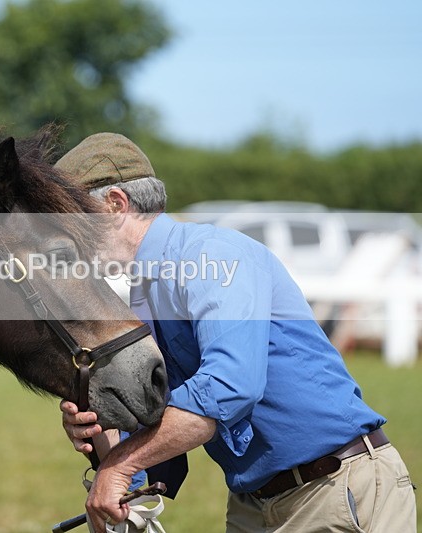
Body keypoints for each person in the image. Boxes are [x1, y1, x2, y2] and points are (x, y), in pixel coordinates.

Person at [54, 133, 417, 532]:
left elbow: (230, 386)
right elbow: (161, 430)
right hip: (255, 504)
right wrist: (106, 436)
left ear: (115, 206)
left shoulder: (212, 255)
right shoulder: (146, 289)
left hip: (334, 489)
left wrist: (121, 465)